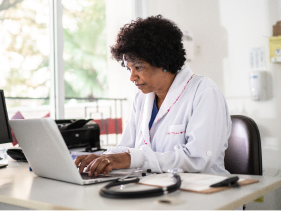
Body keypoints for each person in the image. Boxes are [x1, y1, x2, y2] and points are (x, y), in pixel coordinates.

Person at [74, 15, 231, 177]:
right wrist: (101, 158)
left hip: (205, 192)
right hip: (157, 188)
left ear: (163, 61)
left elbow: (197, 160)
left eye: (139, 67)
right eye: (129, 69)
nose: (132, 77)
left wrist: (132, 158)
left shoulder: (204, 91)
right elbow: (127, 147)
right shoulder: (142, 98)